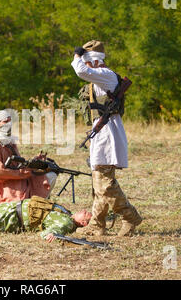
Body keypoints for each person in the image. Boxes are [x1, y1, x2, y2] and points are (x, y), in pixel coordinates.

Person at [71, 40, 142, 237]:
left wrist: (77, 56)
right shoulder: (100, 78)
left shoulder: (106, 75)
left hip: (107, 132)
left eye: (87, 62)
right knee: (98, 181)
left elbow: (80, 71)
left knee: (105, 183)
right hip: (101, 130)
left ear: (94, 61)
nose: (86, 66)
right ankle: (97, 223)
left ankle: (130, 216)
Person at [0, 110, 57, 206]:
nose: (8, 124)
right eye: (5, 121)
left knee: (50, 175)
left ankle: (38, 208)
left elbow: (18, 163)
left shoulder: (10, 143)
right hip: (2, 186)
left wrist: (34, 162)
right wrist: (21, 174)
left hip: (18, 179)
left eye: (10, 121)